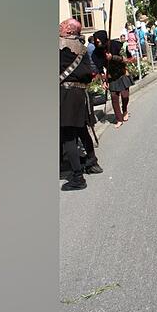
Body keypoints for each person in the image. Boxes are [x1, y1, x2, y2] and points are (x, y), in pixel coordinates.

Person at [59, 19, 102, 192]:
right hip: (81, 95)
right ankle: (92, 163)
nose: (59, 26)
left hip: (66, 95)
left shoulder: (59, 46)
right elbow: (88, 73)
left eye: (62, 25)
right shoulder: (82, 48)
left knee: (68, 134)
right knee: (82, 130)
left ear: (69, 30)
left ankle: (77, 177)